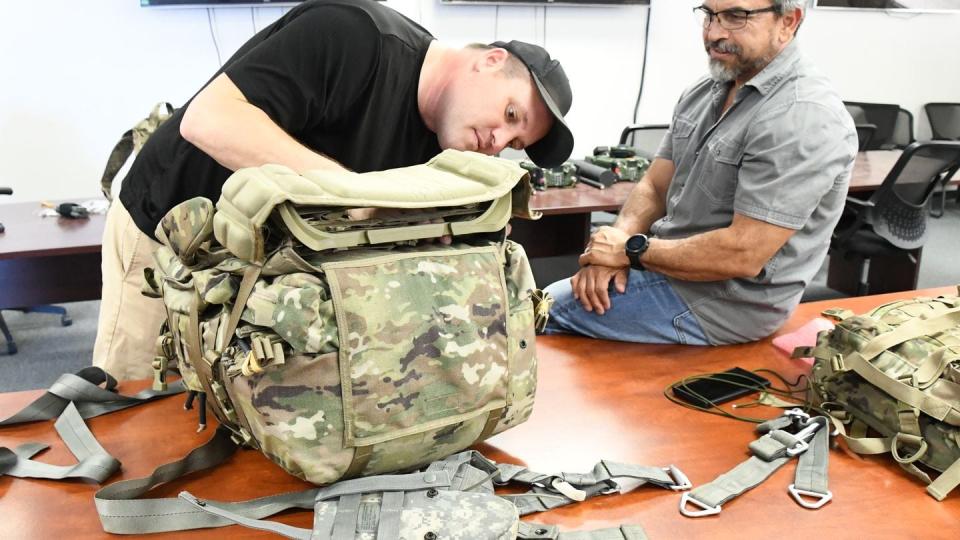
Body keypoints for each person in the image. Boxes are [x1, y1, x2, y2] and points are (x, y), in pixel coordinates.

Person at [94, 0, 574, 380]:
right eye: (511, 115)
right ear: (491, 62)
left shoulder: (444, 142)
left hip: (252, 277)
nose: (499, 142)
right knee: (139, 414)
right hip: (168, 242)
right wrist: (353, 196)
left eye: (515, 143)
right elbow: (209, 119)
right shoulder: (354, 34)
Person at [543, 0, 857, 346]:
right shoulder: (708, 89)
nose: (713, 33)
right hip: (666, 267)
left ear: (788, 22)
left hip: (724, 304)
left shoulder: (802, 115)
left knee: (535, 313)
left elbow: (743, 253)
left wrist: (630, 251)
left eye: (736, 16)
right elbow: (655, 185)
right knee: (555, 304)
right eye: (709, 14)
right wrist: (614, 247)